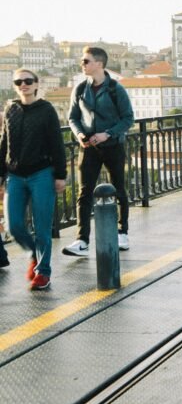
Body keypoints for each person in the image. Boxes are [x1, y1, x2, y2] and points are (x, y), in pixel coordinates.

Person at [63, 46, 135, 257]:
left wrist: (108, 134)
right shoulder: (79, 89)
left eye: (86, 61)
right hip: (89, 149)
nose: (82, 64)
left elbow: (128, 118)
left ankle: (122, 233)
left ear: (99, 64)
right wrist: (79, 135)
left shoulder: (115, 89)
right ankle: (82, 240)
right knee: (84, 193)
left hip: (112, 146)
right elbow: (73, 117)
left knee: (119, 188)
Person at [0, 68, 67, 290]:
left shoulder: (46, 110)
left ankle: (43, 272)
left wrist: (60, 175)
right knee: (13, 225)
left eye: (28, 81)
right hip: (15, 176)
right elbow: (4, 144)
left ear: (37, 84)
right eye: (18, 81)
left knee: (42, 227)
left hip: (42, 174)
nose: (23, 85)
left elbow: (57, 144)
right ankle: (33, 255)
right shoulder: (10, 108)